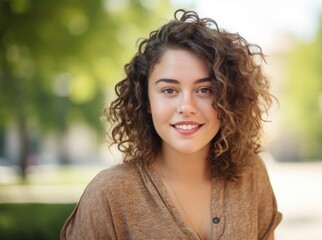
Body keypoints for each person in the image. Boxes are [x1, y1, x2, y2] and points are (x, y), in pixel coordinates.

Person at [61, 9, 282, 240]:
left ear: (228, 97)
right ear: (146, 101)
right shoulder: (109, 193)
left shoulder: (251, 175)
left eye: (205, 90)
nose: (187, 106)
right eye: (169, 90)